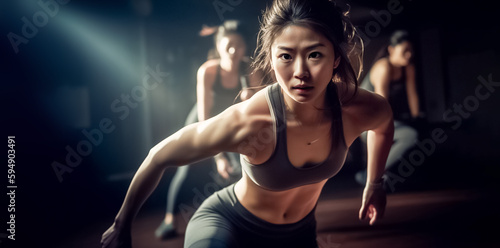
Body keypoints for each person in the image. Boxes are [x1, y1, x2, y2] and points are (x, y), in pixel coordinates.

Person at [101, 0, 394, 247]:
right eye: (286, 56)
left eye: (315, 54)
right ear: (271, 58)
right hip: (227, 224)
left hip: (299, 234)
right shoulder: (250, 121)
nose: (300, 72)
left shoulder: (359, 108)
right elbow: (158, 156)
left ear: (335, 59)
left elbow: (383, 124)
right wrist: (121, 224)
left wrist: (375, 183)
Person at [154, 19, 262, 240]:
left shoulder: (250, 69)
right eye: (228, 44)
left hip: (233, 117)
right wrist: (219, 156)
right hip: (205, 118)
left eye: (238, 45)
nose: (233, 50)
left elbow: (258, 109)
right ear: (219, 46)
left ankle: (245, 218)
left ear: (244, 47)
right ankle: (169, 219)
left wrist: (250, 99)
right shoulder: (208, 71)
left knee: (243, 165)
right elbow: (205, 119)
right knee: (186, 167)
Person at [356, 30, 420, 185]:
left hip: (381, 118)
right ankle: (369, 175)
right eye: (405, 51)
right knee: (409, 136)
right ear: (391, 50)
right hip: (366, 122)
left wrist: (418, 118)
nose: (409, 55)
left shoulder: (408, 68)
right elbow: (381, 105)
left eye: (411, 51)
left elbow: (413, 95)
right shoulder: (384, 67)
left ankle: (374, 174)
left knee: (413, 133)